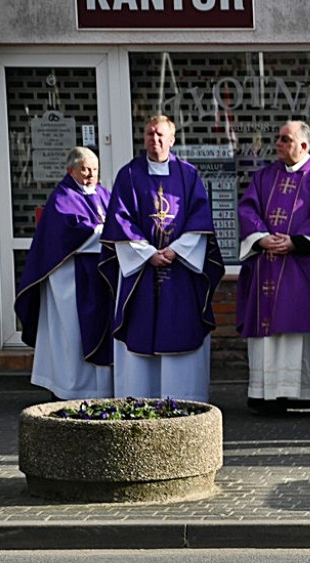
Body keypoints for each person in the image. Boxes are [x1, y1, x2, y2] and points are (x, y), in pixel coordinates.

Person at [102, 114, 223, 402]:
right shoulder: (129, 175)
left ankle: (184, 399)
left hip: (179, 267)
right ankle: (138, 399)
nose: (153, 140)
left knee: (181, 325)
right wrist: (146, 254)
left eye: (159, 135)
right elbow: (120, 219)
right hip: (141, 271)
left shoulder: (188, 175)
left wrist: (176, 250)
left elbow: (200, 217)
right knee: (138, 329)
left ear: (172, 139)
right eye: (148, 134)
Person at [236, 120, 310, 417]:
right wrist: (262, 239)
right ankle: (269, 396)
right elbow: (247, 209)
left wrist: (296, 242)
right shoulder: (263, 177)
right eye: (278, 138)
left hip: (308, 269)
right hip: (269, 267)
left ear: (303, 145)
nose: (278, 143)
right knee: (270, 336)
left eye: (285, 139)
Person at [15, 147, 113, 399]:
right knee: (72, 336)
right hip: (71, 279)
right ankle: (70, 389)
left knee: (101, 330)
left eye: (94, 169)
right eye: (84, 169)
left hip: (99, 276)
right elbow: (68, 233)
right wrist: (106, 232)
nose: (91, 174)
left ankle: (102, 389)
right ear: (71, 171)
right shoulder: (62, 196)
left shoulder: (104, 193)